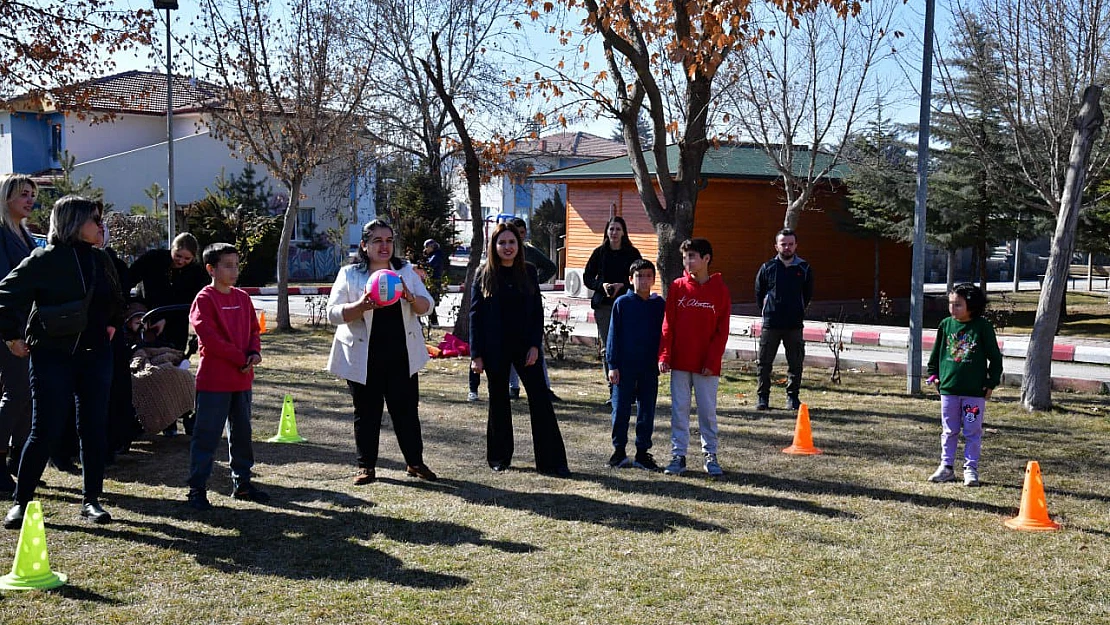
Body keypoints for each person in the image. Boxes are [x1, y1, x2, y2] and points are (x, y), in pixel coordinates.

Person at [0, 195, 124, 528]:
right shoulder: (43, 259)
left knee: (94, 429)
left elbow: (118, 298)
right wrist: (12, 337)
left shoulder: (102, 260)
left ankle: (91, 501)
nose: (100, 225)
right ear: (72, 222)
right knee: (45, 430)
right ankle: (21, 503)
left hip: (95, 355)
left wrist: (112, 323)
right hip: (51, 356)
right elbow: (4, 295)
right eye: (93, 219)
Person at [327, 220, 437, 485]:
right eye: (377, 241)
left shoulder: (406, 271)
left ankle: (415, 462)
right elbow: (333, 313)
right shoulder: (350, 274)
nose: (384, 246)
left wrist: (411, 297)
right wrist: (361, 305)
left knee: (407, 411)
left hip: (401, 355)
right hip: (363, 357)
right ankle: (366, 467)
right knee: (366, 412)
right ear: (364, 245)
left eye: (389, 240)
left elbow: (428, 306)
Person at [470, 223, 569, 477]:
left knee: (540, 400)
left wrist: (536, 345)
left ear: (519, 245)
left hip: (526, 348)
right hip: (494, 349)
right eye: (502, 243)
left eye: (511, 242)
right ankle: (499, 458)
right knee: (499, 401)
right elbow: (475, 316)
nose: (507, 247)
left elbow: (537, 312)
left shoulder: (529, 271)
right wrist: (476, 355)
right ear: (494, 246)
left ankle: (551, 462)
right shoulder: (483, 274)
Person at [185, 243, 268, 510]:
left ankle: (242, 483)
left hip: (242, 380)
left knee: (242, 434)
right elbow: (210, 338)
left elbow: (254, 331)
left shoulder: (242, 298)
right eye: (227, 266)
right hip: (214, 381)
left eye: (236, 265)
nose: (234, 271)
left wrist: (254, 353)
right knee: (206, 435)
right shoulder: (204, 299)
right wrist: (239, 358)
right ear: (211, 269)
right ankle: (197, 489)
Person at [658, 238, 731, 477]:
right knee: (679, 410)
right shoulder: (678, 287)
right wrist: (665, 354)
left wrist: (711, 362)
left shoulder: (720, 290)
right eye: (685, 257)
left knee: (707, 411)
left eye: (692, 257)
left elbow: (722, 332)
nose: (687, 262)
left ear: (706, 259)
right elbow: (668, 324)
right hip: (680, 362)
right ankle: (678, 456)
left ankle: (710, 455)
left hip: (706, 367)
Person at [925, 283, 1002, 487]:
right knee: (949, 430)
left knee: (972, 432)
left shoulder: (982, 327)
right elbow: (936, 354)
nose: (953, 308)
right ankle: (946, 467)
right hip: (949, 390)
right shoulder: (945, 325)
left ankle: (970, 469)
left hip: (974, 393)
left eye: (958, 304)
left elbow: (995, 358)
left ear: (972, 305)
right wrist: (934, 374)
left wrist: (990, 383)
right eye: (951, 303)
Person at [606, 259, 665, 471]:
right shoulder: (622, 303)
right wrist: (613, 364)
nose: (644, 280)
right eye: (639, 276)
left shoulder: (659, 305)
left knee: (646, 410)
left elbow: (666, 334)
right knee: (620, 409)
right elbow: (613, 336)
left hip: (648, 367)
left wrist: (663, 358)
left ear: (654, 279)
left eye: (648, 276)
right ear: (631, 280)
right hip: (624, 366)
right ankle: (619, 451)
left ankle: (642, 452)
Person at [0, 175, 38, 492]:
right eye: (23, 194)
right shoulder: (1, 234)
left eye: (32, 195)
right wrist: (11, 336)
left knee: (27, 396)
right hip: (9, 329)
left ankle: (18, 460)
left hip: (27, 327)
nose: (30, 200)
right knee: (16, 394)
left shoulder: (24, 234)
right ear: (6, 198)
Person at [582, 215, 641, 405]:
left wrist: (621, 287)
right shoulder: (599, 252)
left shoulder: (632, 253)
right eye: (611, 229)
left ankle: (630, 390)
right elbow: (588, 277)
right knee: (609, 348)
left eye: (617, 229)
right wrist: (603, 285)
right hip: (604, 307)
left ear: (623, 232)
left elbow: (639, 279)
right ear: (606, 232)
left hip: (627, 305)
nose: (614, 232)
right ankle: (613, 391)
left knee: (626, 347)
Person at [754, 228, 813, 411]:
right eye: (783, 244)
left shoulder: (804, 268)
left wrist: (797, 310)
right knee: (764, 363)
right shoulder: (767, 268)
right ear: (776, 246)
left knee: (795, 363)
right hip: (771, 324)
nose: (787, 247)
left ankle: (792, 398)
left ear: (796, 245)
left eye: (790, 244)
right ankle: (763, 398)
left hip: (794, 325)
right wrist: (768, 310)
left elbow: (807, 294)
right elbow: (759, 293)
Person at [507, 218, 559, 402]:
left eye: (522, 233)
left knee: (535, 348)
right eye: (515, 233)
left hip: (528, 308)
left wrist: (536, 281)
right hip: (508, 312)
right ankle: (513, 387)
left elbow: (551, 267)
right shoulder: (503, 254)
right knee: (510, 352)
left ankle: (544, 388)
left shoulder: (530, 253)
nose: (518, 237)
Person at [128, 232, 209, 350]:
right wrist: (134, 310)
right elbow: (129, 279)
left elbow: (194, 301)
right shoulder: (153, 259)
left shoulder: (196, 273)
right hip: (148, 318)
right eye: (178, 256)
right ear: (172, 248)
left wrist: (167, 319)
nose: (181, 261)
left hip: (176, 323)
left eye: (187, 258)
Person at [422, 238, 445, 326]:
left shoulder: (436, 256)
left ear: (431, 247)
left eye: (426, 247)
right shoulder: (433, 255)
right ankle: (433, 321)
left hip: (434, 282)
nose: (425, 249)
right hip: (432, 281)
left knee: (430, 301)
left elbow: (429, 266)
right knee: (429, 301)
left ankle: (433, 321)